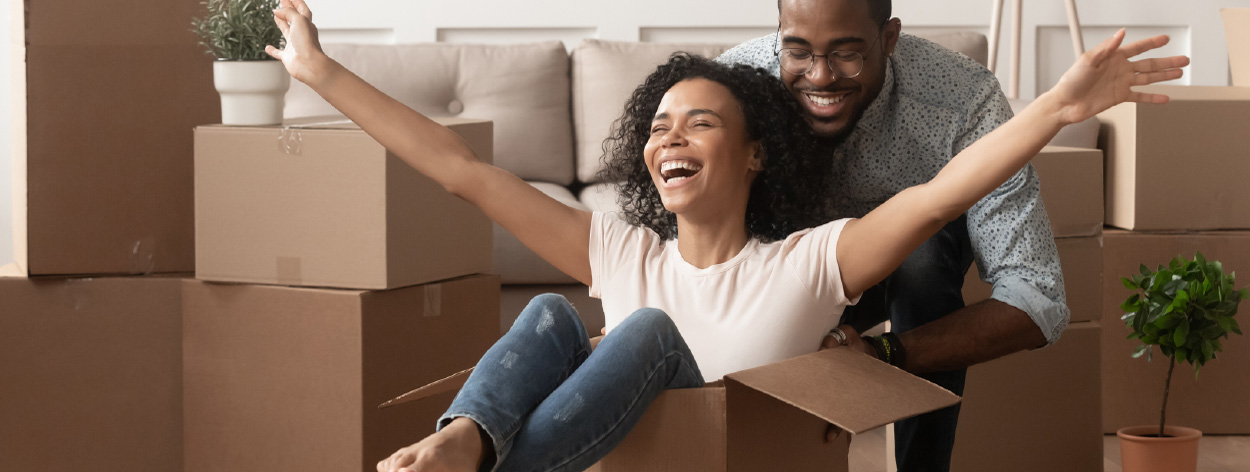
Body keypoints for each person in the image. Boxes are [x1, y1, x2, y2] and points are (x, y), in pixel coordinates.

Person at [265, 1, 1186, 471]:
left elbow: (942, 196)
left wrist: (1059, 105)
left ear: (753, 156)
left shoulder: (808, 266)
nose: (670, 136)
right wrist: (321, 72)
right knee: (551, 312)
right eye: (659, 125)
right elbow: (459, 170)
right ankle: (468, 437)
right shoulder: (619, 250)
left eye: (699, 123)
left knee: (644, 333)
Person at [715, 0, 1109, 468]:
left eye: (846, 54)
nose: (820, 77)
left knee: (922, 253)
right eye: (798, 51)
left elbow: (1037, 299)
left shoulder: (961, 98)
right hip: (781, 270)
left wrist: (882, 354)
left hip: (910, 278)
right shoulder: (734, 88)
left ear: (889, 39)